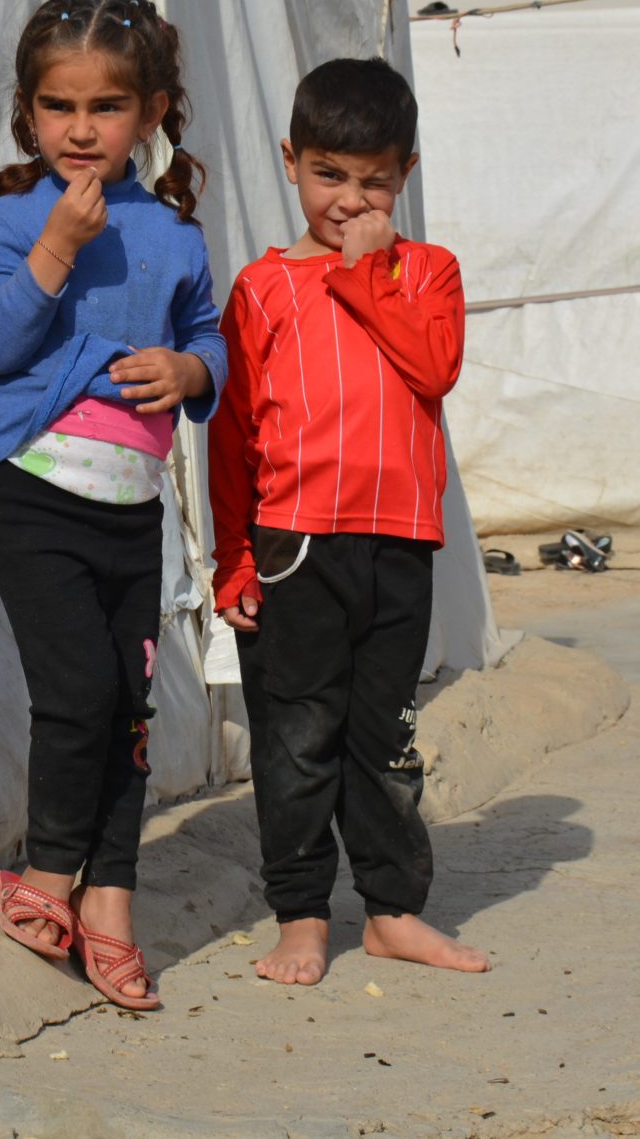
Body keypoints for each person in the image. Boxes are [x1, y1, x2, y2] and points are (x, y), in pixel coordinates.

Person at [0, 0, 226, 1011]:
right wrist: (55, 252)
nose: (80, 131)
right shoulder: (13, 220)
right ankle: (43, 873)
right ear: (28, 113)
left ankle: (110, 902)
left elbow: (207, 336)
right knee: (75, 692)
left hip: (133, 505)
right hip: (32, 494)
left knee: (125, 710)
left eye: (105, 108)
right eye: (56, 107)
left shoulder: (171, 235)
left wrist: (190, 373)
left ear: (151, 112)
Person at [208, 57, 489, 988]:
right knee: (297, 736)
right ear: (291, 161)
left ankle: (394, 909)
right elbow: (235, 433)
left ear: (405, 174)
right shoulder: (262, 287)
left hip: (401, 543)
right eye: (330, 174)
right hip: (296, 546)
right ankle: (299, 914)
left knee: (387, 735)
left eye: (374, 181)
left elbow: (434, 367)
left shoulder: (427, 272)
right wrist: (234, 558)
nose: (351, 200)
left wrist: (370, 273)